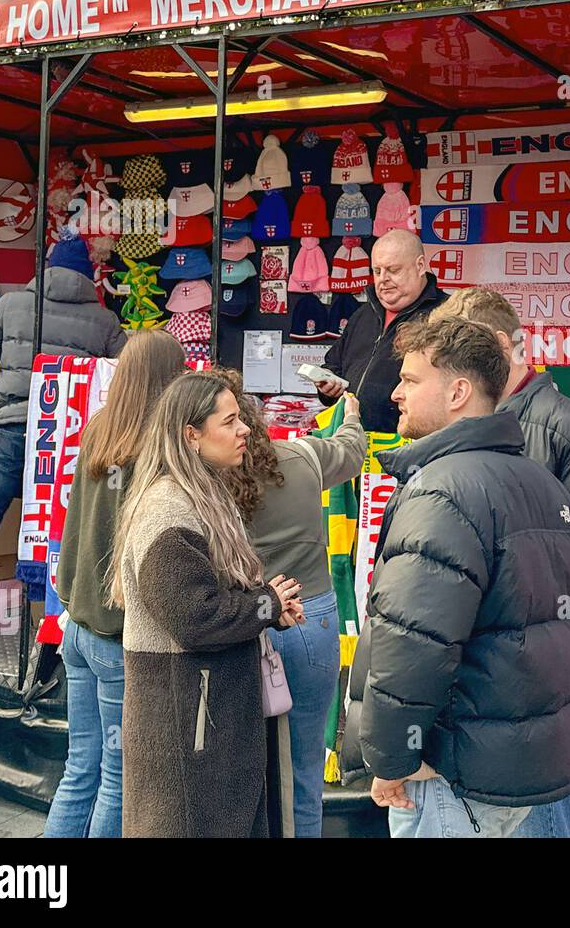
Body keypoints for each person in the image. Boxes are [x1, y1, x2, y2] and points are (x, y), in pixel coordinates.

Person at [349, 318, 570, 838]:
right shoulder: (542, 484)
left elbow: (412, 643)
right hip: (514, 764)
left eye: (412, 380)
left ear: (458, 391)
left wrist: (393, 757)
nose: (395, 393)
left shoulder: (441, 490)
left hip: (452, 772)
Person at [430, 286, 570, 838]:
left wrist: (524, 620)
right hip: (476, 702)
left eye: (456, 348)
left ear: (497, 346)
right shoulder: (463, 426)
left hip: (537, 687)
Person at [109, 372, 305, 838]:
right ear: (191, 435)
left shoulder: (202, 495)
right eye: (231, 421)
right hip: (185, 736)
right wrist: (266, 604)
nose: (245, 431)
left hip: (205, 727)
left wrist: (268, 609)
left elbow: (210, 602)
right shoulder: (168, 508)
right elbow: (195, 618)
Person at [0, 236, 126, 653]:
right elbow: (122, 379)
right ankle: (61, 630)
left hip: (13, 428)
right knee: (69, 531)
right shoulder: (105, 321)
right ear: (88, 277)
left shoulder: (13, 303)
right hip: (70, 437)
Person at [213, 368, 367, 838]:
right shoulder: (303, 456)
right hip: (312, 618)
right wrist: (352, 413)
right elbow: (352, 451)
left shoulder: (203, 481)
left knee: (240, 767)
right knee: (303, 768)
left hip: (242, 621)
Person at [43, 330, 185, 839]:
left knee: (79, 769)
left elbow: (75, 520)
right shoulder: (159, 444)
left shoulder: (101, 427)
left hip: (78, 623)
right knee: (117, 777)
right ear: (170, 378)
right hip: (116, 634)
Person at [431, 287, 570, 602]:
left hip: (535, 643)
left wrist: (510, 608)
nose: (450, 369)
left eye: (460, 353)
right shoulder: (454, 422)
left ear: (501, 345)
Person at [314, 229, 447, 432]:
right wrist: (328, 386)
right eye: (377, 271)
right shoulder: (363, 314)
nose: (383, 279)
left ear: (420, 266)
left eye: (393, 270)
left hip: (413, 447)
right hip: (354, 444)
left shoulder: (445, 315)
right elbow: (334, 364)